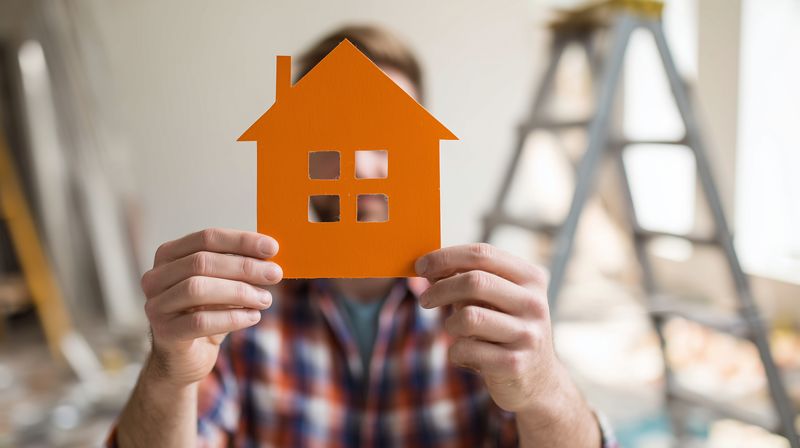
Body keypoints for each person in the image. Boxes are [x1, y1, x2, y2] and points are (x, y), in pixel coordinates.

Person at [109, 25, 617, 447]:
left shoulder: (480, 316)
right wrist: (169, 376)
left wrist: (545, 388)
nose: (361, 164)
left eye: (387, 133)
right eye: (332, 132)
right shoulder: (237, 318)